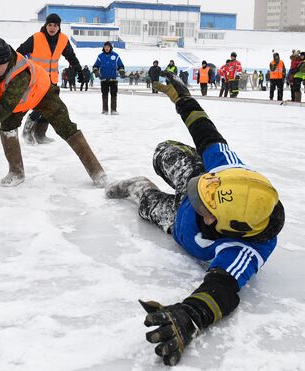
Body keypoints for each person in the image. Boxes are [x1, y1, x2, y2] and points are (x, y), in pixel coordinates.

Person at [105, 71, 284, 366]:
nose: (197, 203)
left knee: (147, 203)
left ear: (225, 226)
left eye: (205, 209)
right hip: (202, 178)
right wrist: (183, 100)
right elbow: (206, 133)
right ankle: (192, 181)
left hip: (177, 223)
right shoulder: (231, 171)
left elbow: (222, 290)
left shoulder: (244, 251)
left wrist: (189, 317)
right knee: (164, 152)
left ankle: (139, 186)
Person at [0, 37, 107, 188]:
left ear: (7, 61)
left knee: (66, 127)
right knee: (7, 127)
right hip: (15, 103)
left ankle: (97, 172)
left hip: (42, 93)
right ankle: (16, 172)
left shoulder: (20, 73)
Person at [17, 13, 83, 145]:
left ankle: (40, 134)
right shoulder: (36, 38)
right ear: (45, 25)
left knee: (52, 107)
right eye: (50, 25)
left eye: (55, 25)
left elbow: (70, 56)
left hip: (52, 80)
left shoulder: (63, 39)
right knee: (41, 106)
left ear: (59, 27)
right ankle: (27, 132)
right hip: (37, 80)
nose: (52, 28)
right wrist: (23, 70)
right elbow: (19, 52)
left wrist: (79, 69)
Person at [92, 41, 125, 115]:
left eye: (108, 47)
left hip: (113, 79)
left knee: (114, 94)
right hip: (103, 79)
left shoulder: (116, 56)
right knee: (104, 94)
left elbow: (120, 65)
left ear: (110, 48)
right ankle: (105, 110)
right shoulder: (100, 56)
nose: (107, 48)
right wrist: (96, 71)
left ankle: (113, 110)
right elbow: (95, 66)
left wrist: (121, 71)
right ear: (103, 47)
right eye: (105, 47)